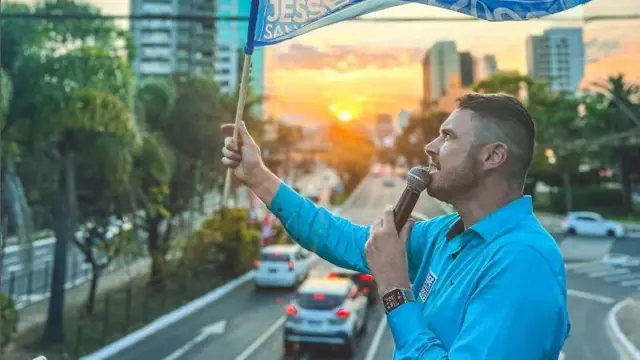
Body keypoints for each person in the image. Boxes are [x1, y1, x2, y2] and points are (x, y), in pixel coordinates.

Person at [221, 93, 569, 359]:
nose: (430, 147)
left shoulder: (523, 260)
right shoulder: (446, 234)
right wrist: (258, 177)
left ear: (492, 156)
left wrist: (394, 288)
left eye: (448, 137)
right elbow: (347, 241)